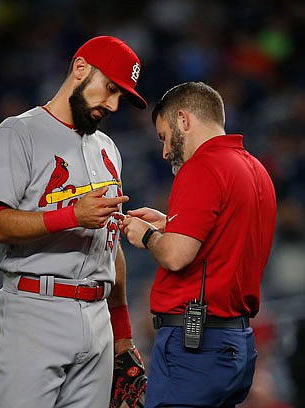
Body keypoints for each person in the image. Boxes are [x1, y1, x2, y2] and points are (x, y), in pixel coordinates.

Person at [0, 36, 147, 408]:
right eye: (111, 89)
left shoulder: (108, 149)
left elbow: (110, 245)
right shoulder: (17, 134)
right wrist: (72, 215)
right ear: (81, 69)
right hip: (35, 309)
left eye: (122, 97)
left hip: (98, 316)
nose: (114, 104)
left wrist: (122, 335)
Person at [120, 81, 277, 408]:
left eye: (164, 136)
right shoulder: (254, 168)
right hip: (235, 341)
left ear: (184, 119)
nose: (164, 152)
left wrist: (146, 235)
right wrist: (170, 223)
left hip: (195, 344)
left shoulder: (202, 167)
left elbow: (176, 256)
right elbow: (224, 235)